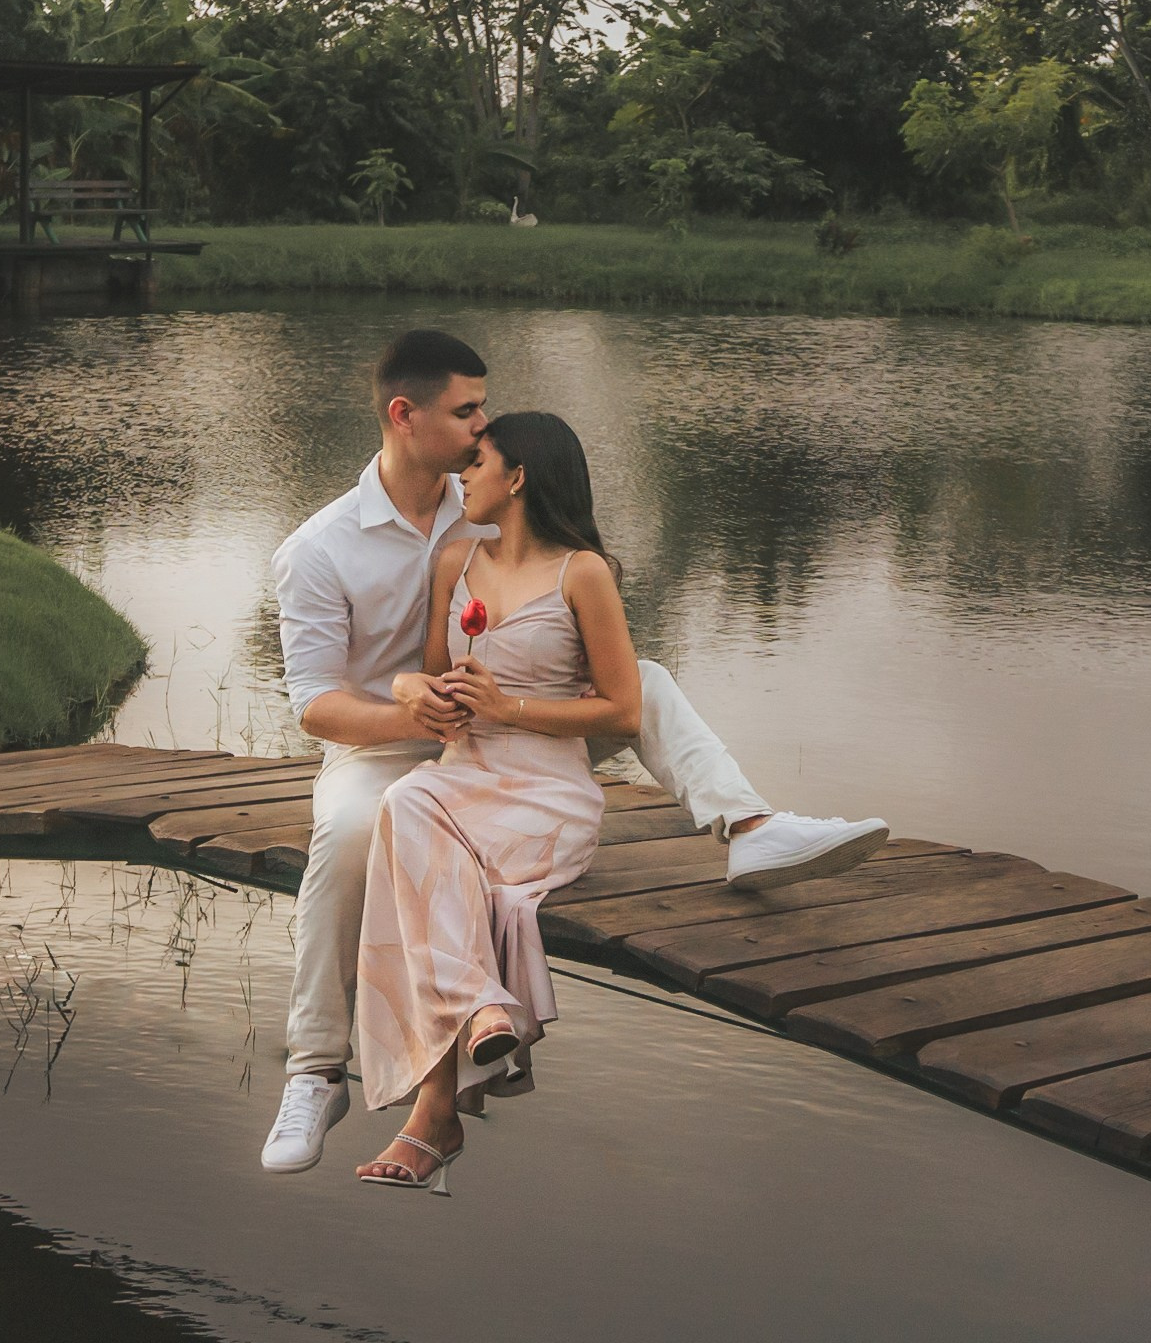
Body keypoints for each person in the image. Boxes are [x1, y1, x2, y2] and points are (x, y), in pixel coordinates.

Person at [261, 330, 889, 1174]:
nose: (484, 423)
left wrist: (506, 700)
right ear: (404, 416)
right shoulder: (319, 548)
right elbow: (316, 706)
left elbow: (567, 610)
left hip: (505, 741)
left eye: (487, 413)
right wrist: (415, 701)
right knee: (349, 830)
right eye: (467, 409)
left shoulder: (482, 500)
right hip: (388, 745)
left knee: (646, 677)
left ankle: (747, 824)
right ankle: (315, 1069)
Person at [350, 412, 635, 1191]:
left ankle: (433, 1112)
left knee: (427, 856)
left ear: (517, 478)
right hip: (463, 773)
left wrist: (510, 709)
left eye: (478, 462)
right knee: (407, 804)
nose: (461, 476)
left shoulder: (583, 573)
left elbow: (623, 710)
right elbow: (435, 678)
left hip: (547, 790)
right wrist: (422, 692)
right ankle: (477, 1005)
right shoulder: (455, 562)